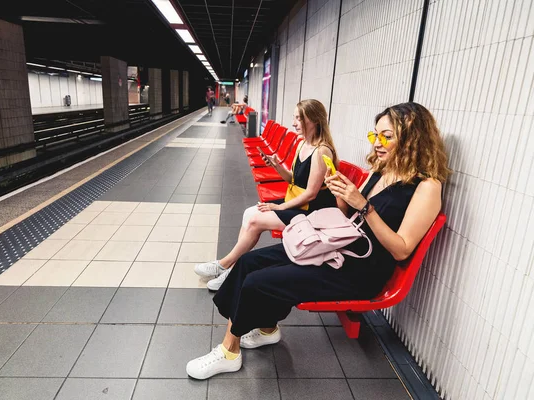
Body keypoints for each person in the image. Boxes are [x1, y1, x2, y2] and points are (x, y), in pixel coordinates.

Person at [186, 102, 451, 380]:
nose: (378, 143)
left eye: (387, 136)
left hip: (361, 271)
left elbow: (401, 250)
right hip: (338, 249)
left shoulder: (427, 187)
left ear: (413, 137)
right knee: (251, 261)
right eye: (375, 135)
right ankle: (266, 329)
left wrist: (364, 206)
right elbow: (347, 214)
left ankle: (229, 351)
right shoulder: (381, 171)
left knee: (258, 281)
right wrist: (340, 192)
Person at [195, 99, 339, 290]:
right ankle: (233, 268)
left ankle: (225, 265)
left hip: (312, 212)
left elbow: (311, 194)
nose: (294, 123)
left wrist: (278, 207)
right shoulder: (303, 144)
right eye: (294, 117)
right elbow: (293, 180)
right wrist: (277, 165)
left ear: (313, 120)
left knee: (255, 221)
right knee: (249, 213)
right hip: (296, 202)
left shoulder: (322, 151)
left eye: (299, 118)